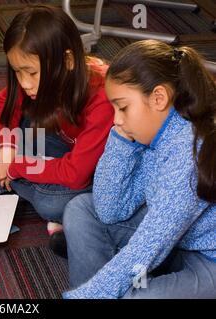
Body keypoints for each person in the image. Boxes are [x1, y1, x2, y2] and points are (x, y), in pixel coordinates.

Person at [62, 40, 216, 298]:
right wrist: (121, 139)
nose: (116, 119)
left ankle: (105, 283)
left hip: (209, 259)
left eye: (122, 108)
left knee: (141, 295)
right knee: (80, 209)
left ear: (158, 98)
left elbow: (149, 245)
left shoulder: (189, 152)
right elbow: (109, 210)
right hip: (179, 240)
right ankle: (106, 283)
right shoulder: (156, 133)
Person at [0, 5, 114, 238]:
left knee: (51, 203)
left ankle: (15, 188)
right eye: (18, 72)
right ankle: (28, 190)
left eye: (32, 73)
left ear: (67, 61)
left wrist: (14, 166)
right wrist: (6, 148)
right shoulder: (37, 76)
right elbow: (6, 101)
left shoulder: (103, 95)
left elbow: (77, 173)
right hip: (59, 143)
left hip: (91, 170)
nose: (25, 83)